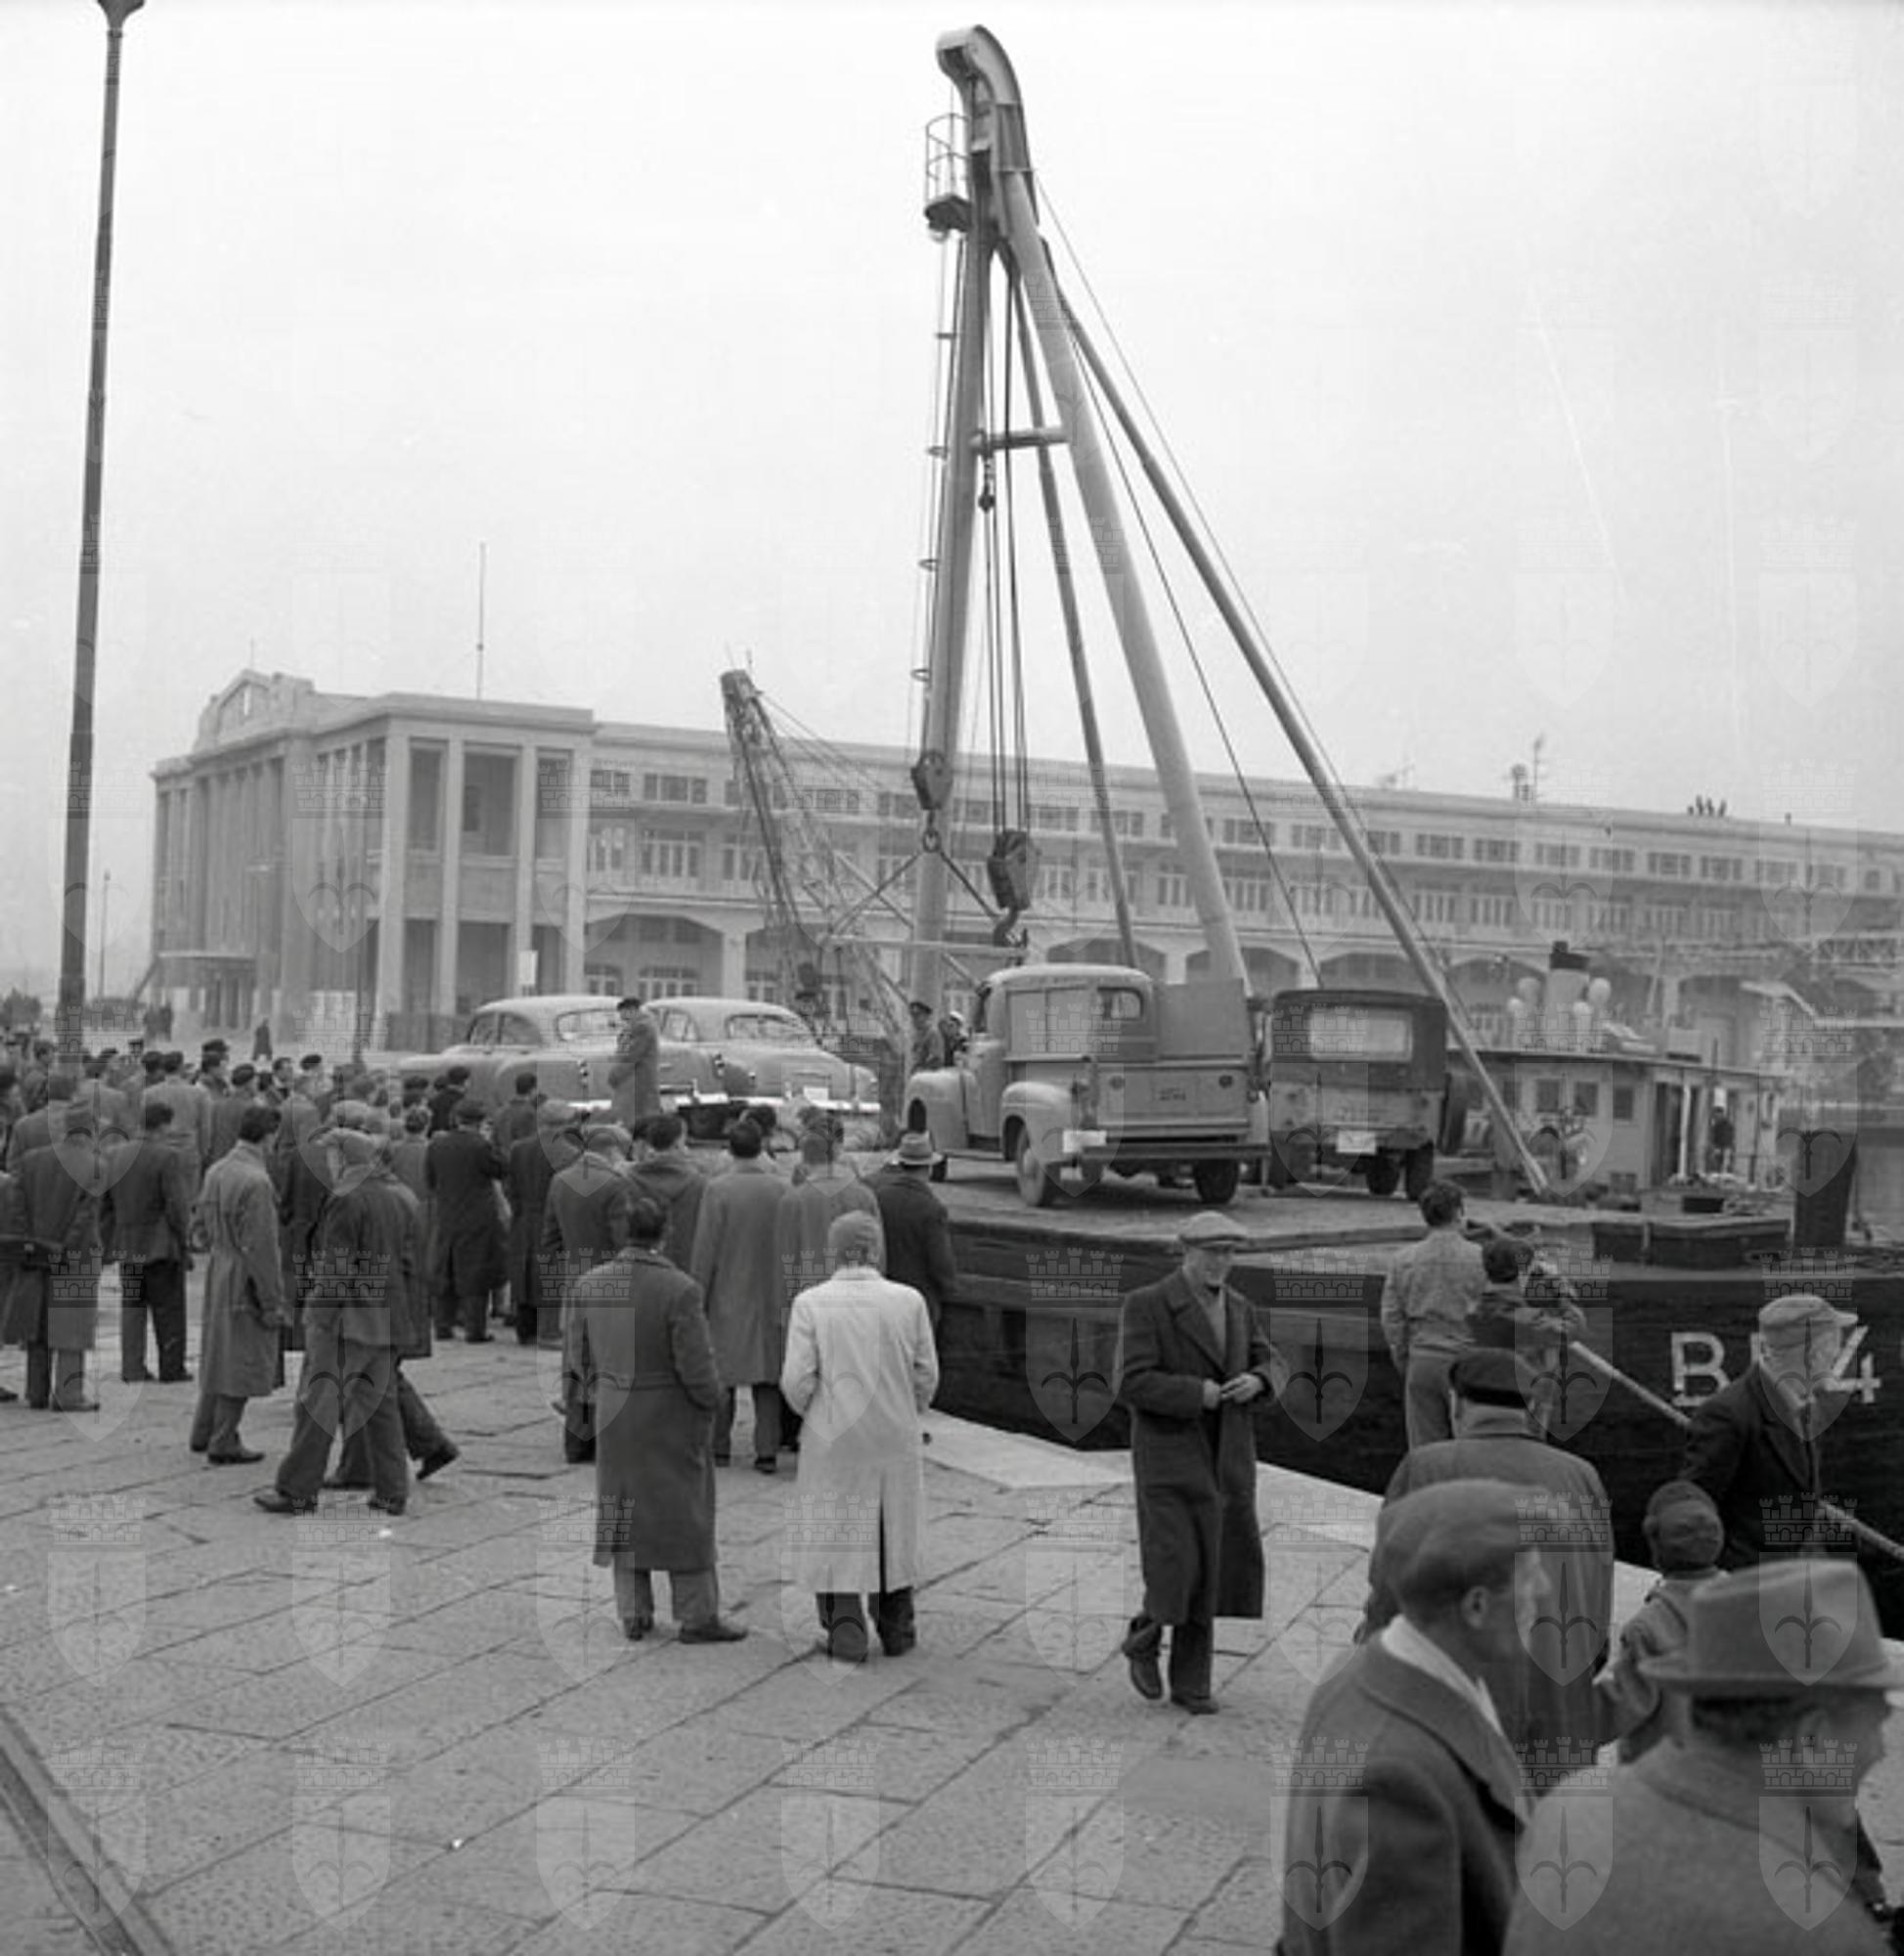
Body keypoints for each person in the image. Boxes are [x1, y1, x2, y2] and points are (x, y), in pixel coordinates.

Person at [1503, 1560, 1897, 1954]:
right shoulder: (1817, 1929)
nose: (1879, 1751)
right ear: (1812, 1737)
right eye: (1874, 1725)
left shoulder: (1565, 1811)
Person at [1283, 1480, 1536, 1956]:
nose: (1543, 1591)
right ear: (1476, 1606)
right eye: (1529, 1578)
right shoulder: (1398, 1784)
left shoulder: (1358, 1671)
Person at [1367, 1348, 1614, 1755]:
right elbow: (1598, 1591)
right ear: (1529, 1408)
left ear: (1456, 1403)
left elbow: (1390, 1586)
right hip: (1558, 1705)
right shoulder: (1582, 1475)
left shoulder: (1427, 1467)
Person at [1115, 1210, 1283, 1714]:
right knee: (1176, 1568)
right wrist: (1197, 1394)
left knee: (1211, 1569)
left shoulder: (1240, 1308)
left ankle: (1192, 1684)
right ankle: (1144, 1637)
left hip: (1226, 1458)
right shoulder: (1147, 1305)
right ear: (1186, 1252)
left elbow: (1273, 1360)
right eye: (1211, 1253)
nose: (1220, 1263)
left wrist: (1259, 1380)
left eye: (1228, 1253)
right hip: (1169, 1458)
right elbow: (1131, 1381)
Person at [571, 1194, 747, 1644]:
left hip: (615, 1409)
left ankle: (633, 1611)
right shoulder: (680, 1289)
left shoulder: (590, 1285)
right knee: (684, 1511)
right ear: (665, 1233)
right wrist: (713, 1400)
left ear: (622, 1232)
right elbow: (695, 1365)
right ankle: (697, 1613)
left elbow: (578, 1358)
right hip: (669, 1411)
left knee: (622, 1506)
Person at [781, 1210, 939, 1662]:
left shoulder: (811, 1304)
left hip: (834, 1436)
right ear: (876, 1250)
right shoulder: (909, 1301)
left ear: (833, 1251)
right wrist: (907, 1409)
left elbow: (796, 1380)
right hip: (893, 1433)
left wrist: (816, 1414)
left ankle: (845, 1634)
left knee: (836, 1532)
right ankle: (897, 1629)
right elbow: (926, 1373)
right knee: (893, 1527)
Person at [254, 1127, 410, 1517]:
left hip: (347, 1318)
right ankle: (393, 1490)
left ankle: (297, 1489)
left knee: (317, 1404)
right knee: (380, 1407)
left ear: (341, 1158)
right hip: (383, 1314)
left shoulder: (345, 1197)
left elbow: (336, 1267)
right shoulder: (390, 1195)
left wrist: (319, 1314)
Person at [1683, 1291, 1857, 1569]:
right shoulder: (1729, 1414)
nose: (1836, 1356)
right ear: (1814, 1354)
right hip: (1748, 1581)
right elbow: (1693, 1507)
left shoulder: (1805, 1403)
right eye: (1833, 1346)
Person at [1594, 1480, 1725, 1762]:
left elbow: (1621, 1706)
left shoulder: (1648, 1628)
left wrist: (1562, 1712)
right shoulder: (1747, 1609)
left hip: (1664, 1775)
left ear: (1656, 1547)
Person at [190, 1103, 291, 1464]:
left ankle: (203, 1430)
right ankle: (223, 1438)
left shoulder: (217, 1169)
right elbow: (262, 1249)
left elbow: (199, 1229)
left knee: (219, 1352)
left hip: (220, 1267)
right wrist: (272, 1301)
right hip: (243, 1274)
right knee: (241, 1357)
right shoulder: (257, 1182)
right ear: (269, 1136)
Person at [690, 1118, 791, 1471]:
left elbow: (706, 1249)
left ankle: (719, 1446)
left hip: (728, 1293)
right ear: (762, 1146)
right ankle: (767, 1450)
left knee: (723, 1375)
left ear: (729, 1150)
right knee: (769, 1377)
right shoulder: (782, 1188)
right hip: (772, 1292)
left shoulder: (717, 1190)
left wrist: (697, 1295)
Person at [775, 1121, 879, 1453]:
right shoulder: (863, 1196)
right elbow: (879, 1253)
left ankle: (800, 1434)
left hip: (806, 1295)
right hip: (858, 1298)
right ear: (838, 1152)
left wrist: (783, 1306)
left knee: (807, 1368)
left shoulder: (793, 1199)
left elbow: (784, 1257)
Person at [541, 1123, 638, 1464]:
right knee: (606, 1361)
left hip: (575, 1275)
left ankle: (575, 1442)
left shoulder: (560, 1180)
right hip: (609, 1280)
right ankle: (604, 1438)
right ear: (614, 1151)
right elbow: (622, 1240)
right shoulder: (615, 1185)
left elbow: (550, 1238)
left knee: (576, 1360)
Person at [10, 1106, 109, 1412]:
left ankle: (36, 1391)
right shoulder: (95, 1165)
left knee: (38, 1323)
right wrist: (65, 1247)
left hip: (36, 1251)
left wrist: (32, 1242)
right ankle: (69, 1394)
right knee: (71, 1325)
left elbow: (17, 1206)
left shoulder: (32, 1160)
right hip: (75, 1256)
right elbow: (85, 1216)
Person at [1379, 1178, 1485, 1447]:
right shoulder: (1481, 1258)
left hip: (1423, 1357)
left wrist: (1405, 1359)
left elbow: (1392, 1318)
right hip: (1467, 1359)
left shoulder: (1403, 1260)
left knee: (1425, 1451)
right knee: (1471, 1449)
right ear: (1459, 1212)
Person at [101, 1100, 195, 1384]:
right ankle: (171, 1367)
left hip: (127, 1243)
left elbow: (105, 1204)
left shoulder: (114, 1155)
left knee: (132, 1307)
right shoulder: (167, 1156)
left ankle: (132, 1367)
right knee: (168, 1308)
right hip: (160, 1244)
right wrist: (184, 1238)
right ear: (163, 1126)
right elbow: (177, 1205)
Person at [423, 1099, 508, 1343]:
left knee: (445, 1270)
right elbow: (502, 1169)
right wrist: (490, 1142)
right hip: (477, 1217)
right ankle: (475, 1329)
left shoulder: (437, 1145)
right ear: (480, 1121)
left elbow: (430, 1180)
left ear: (456, 1118)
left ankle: (442, 1326)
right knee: (475, 1273)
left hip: (447, 1213)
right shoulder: (481, 1146)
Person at [506, 1101, 582, 1347]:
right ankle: (549, 1331)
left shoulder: (518, 1148)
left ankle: (524, 1328)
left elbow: (511, 1186)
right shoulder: (569, 1153)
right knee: (551, 1271)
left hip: (524, 1216)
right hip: (553, 1218)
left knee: (524, 1270)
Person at [869, 1132, 957, 1338]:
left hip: (884, 1295)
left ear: (900, 1164)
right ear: (928, 1168)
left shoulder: (879, 1198)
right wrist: (950, 1286)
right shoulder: (931, 1208)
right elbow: (940, 1262)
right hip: (920, 1299)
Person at [627, 1112, 706, 1269]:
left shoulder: (626, 1180)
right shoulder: (699, 1183)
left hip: (637, 1266)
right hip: (683, 1267)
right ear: (677, 1145)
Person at [609, 996, 661, 1130]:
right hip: (636, 1080)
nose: (622, 1019)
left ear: (632, 1010)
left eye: (624, 1015)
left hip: (636, 1080)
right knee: (641, 1116)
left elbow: (631, 1055)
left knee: (637, 1118)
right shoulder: (642, 1025)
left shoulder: (642, 1027)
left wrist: (616, 1075)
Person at [491, 1070, 541, 1155]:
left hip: (501, 1159)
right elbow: (531, 1144)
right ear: (533, 1090)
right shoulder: (530, 1113)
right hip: (520, 1159)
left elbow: (494, 1139)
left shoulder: (501, 1111)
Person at [905, 1000, 946, 1076]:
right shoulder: (917, 1034)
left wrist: (921, 1070)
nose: (914, 1019)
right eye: (912, 1016)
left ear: (926, 1016)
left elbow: (936, 1060)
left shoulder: (933, 1034)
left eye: (917, 1015)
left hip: (929, 1077)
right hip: (918, 1076)